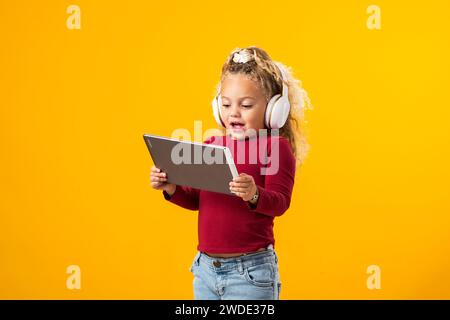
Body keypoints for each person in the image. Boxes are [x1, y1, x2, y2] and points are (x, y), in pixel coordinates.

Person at [150, 46, 312, 300]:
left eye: (246, 105)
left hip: (250, 273)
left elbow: (281, 203)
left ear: (273, 109)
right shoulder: (212, 145)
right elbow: (196, 200)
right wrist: (171, 187)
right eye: (226, 104)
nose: (233, 112)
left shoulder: (275, 146)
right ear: (217, 107)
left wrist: (254, 194)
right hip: (205, 270)